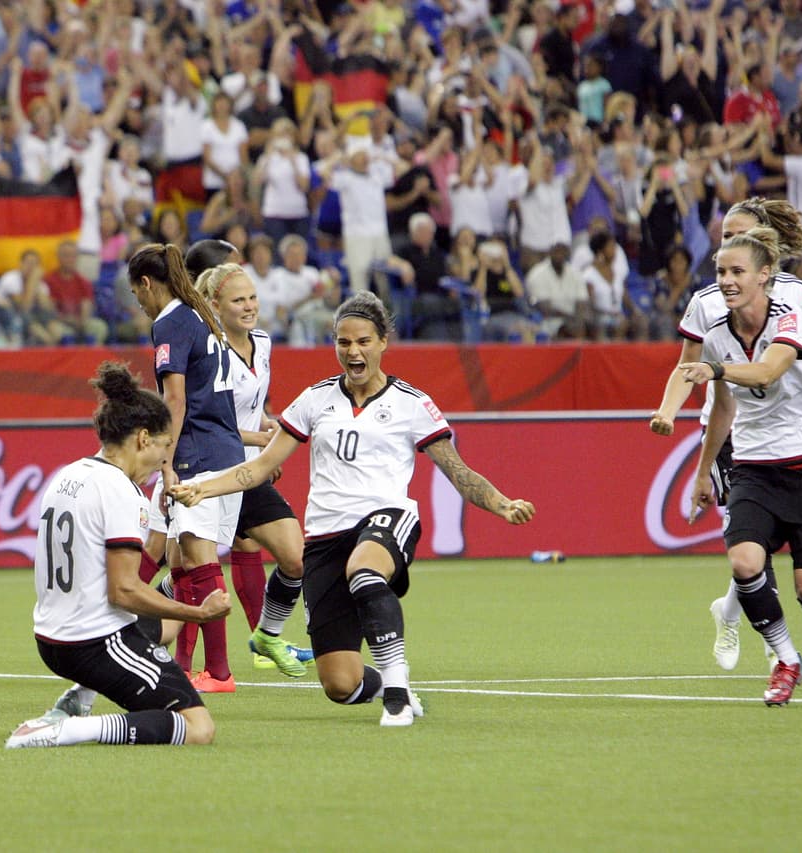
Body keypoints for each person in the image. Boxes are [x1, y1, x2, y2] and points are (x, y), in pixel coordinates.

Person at [171, 292, 535, 726]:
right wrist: (202, 489)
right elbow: (261, 467)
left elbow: (458, 472)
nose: (353, 351)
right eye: (344, 343)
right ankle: (388, 684)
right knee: (340, 685)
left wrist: (502, 504)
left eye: (363, 341)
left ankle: (396, 693)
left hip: (387, 519)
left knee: (364, 572)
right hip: (325, 539)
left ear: (383, 342)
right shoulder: (314, 400)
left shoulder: (411, 403)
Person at [650, 197, 802, 671]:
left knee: (784, 556)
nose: (730, 249)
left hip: (798, 430)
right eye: (724, 241)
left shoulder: (796, 295)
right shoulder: (706, 303)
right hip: (735, 427)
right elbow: (688, 368)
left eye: (745, 237)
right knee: (748, 542)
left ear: (766, 250)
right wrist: (667, 411)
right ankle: (776, 646)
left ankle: (736, 611)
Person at [4, 362, 231, 748]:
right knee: (197, 727)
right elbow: (123, 592)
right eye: (163, 448)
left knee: (166, 626)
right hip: (93, 642)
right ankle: (68, 730)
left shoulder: (69, 474)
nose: (163, 462)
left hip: (51, 638)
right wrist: (199, 614)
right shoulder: (122, 492)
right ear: (143, 438)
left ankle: (77, 699)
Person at [681, 228, 802, 708]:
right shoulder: (717, 332)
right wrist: (702, 473)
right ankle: (786, 659)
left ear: (765, 276)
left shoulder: (790, 320)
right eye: (721, 272)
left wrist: (714, 370)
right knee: (744, 562)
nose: (727, 281)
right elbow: (722, 410)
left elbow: (768, 371)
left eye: (737, 272)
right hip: (754, 466)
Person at [126, 242, 246, 693]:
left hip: (197, 453)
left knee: (198, 558)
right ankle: (182, 661)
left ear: (145, 283)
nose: (136, 301)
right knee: (177, 556)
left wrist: (165, 460)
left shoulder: (170, 323)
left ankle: (219, 672)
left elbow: (174, 400)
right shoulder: (200, 315)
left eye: (135, 292)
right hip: (224, 450)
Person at [193, 262, 311, 678]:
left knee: (296, 558)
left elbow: (250, 407)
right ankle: (153, 637)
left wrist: (266, 426)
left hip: (248, 471)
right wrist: (262, 444)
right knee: (184, 569)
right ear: (215, 306)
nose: (249, 307)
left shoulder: (262, 343)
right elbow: (207, 418)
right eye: (238, 300)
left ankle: (267, 636)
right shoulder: (208, 350)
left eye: (252, 298)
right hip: (212, 471)